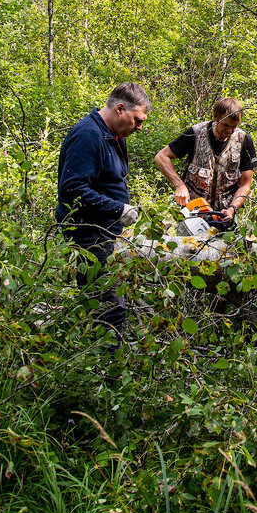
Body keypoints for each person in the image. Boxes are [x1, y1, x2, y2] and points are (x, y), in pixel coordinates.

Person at [55, 82, 151, 335]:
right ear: (120, 109)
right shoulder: (88, 135)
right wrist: (117, 209)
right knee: (108, 310)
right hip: (88, 235)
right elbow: (73, 189)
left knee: (108, 301)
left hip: (106, 233)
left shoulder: (113, 135)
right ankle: (105, 370)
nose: (140, 127)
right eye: (137, 120)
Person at [154, 97, 257, 222]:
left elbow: (245, 184)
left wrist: (232, 208)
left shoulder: (244, 141)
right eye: (225, 125)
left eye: (234, 126)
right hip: (193, 212)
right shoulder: (195, 133)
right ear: (216, 118)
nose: (229, 130)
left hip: (224, 216)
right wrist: (179, 185)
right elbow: (161, 157)